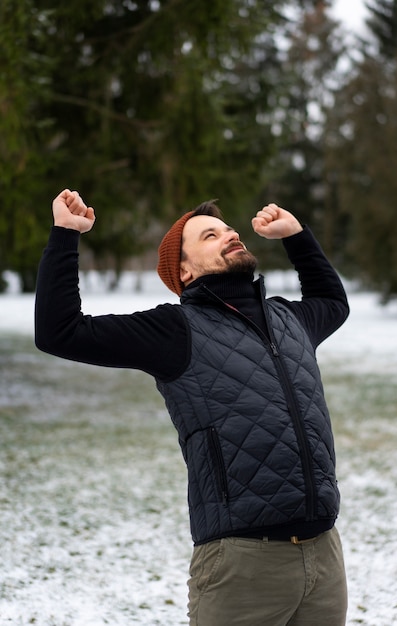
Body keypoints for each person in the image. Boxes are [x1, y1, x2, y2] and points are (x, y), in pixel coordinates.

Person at [35, 188, 350, 626]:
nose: (229, 235)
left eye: (228, 230)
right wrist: (66, 236)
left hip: (324, 558)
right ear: (183, 270)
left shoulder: (289, 319)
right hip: (242, 563)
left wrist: (297, 236)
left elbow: (334, 302)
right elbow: (59, 332)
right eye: (209, 236)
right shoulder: (175, 330)